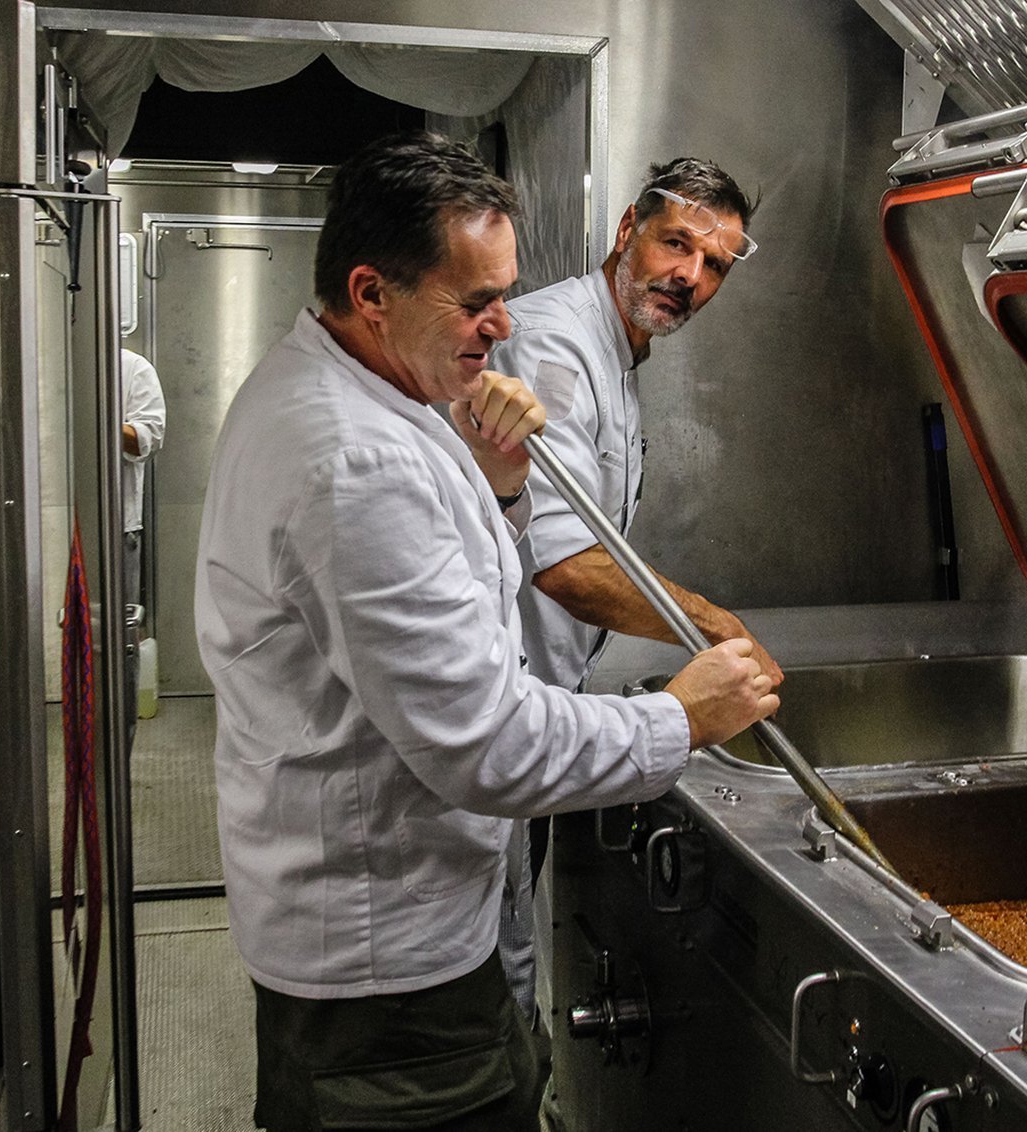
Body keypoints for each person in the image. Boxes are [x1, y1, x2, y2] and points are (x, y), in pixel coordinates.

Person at [193, 131, 777, 1132]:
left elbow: (455, 582)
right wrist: (679, 720)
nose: (505, 326)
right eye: (476, 303)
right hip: (385, 965)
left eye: (503, 292)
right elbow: (488, 743)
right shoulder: (354, 458)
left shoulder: (377, 387)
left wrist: (501, 484)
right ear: (372, 292)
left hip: (386, 915)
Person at [487, 158, 782, 1022]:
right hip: (502, 700)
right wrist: (713, 627)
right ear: (627, 231)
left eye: (715, 263)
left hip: (541, 696)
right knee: (497, 959)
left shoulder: (616, 349)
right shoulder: (556, 343)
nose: (689, 276)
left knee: (510, 939)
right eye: (676, 243)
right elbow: (566, 565)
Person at [120, 347, 165, 609]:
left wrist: (100, 419)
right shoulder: (47, 366)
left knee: (117, 627)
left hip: (117, 527)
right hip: (51, 519)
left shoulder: (133, 367)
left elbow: (150, 438)